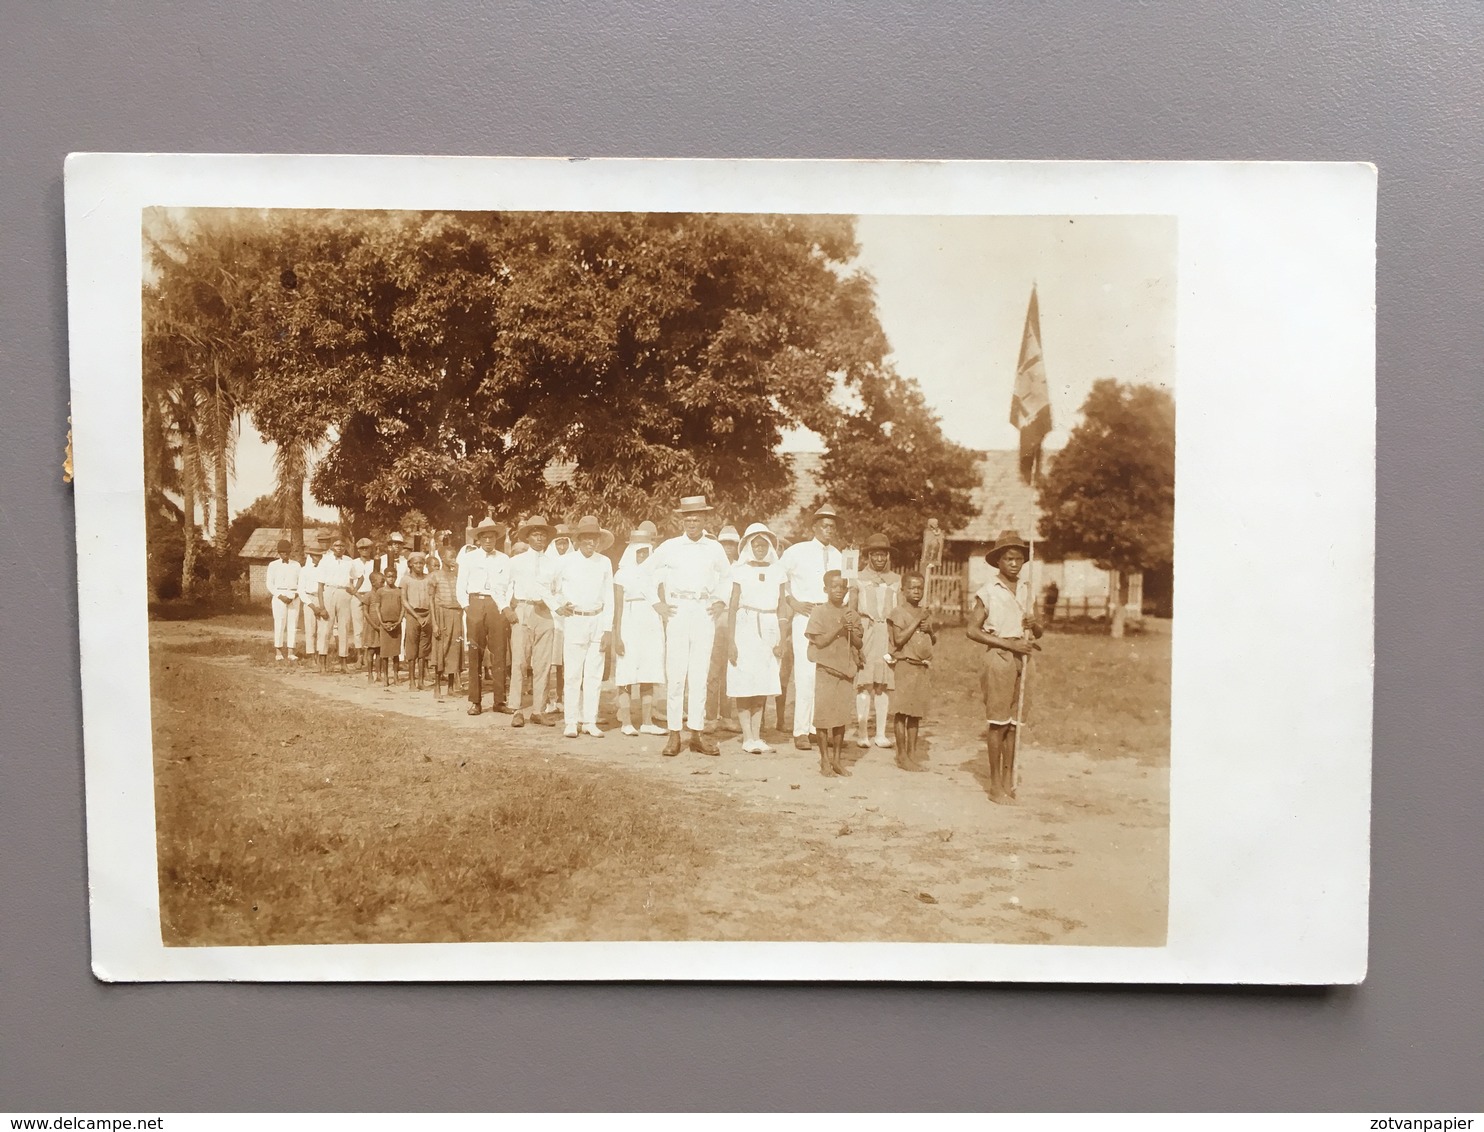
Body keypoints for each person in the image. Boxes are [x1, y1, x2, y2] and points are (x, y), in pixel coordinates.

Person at [649, 496, 733, 757]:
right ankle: (674, 734)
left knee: (699, 675)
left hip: (703, 611)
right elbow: (645, 574)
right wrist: (657, 603)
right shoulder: (670, 546)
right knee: (676, 675)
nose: (692, 522)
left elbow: (728, 577)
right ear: (681, 519)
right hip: (678, 611)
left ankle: (696, 733)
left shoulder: (714, 548)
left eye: (697, 518)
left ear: (705, 519)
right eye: (688, 518)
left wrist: (720, 600)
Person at [965, 530, 1045, 804]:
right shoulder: (988, 592)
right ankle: (995, 786)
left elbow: (1041, 631)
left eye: (1019, 559)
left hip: (1025, 658)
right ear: (998, 561)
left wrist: (1033, 623)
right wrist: (1009, 645)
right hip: (1000, 657)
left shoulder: (1027, 589)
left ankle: (1010, 781)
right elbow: (972, 631)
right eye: (1009, 558)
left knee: (1014, 725)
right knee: (998, 724)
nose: (1014, 563)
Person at [777, 503, 845, 750]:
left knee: (826, 674)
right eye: (825, 526)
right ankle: (801, 731)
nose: (829, 531)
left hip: (831, 617)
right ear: (815, 527)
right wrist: (791, 601)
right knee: (805, 673)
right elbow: (778, 576)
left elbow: (849, 588)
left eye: (832, 527)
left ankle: (818, 728)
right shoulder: (798, 551)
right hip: (806, 615)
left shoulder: (840, 556)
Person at [551, 515, 614, 739]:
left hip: (597, 620)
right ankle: (571, 721)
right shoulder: (565, 562)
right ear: (578, 540)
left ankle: (590, 720)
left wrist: (608, 628)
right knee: (573, 673)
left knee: (594, 675)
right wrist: (558, 606)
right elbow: (547, 587)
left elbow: (610, 596)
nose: (591, 543)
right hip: (575, 620)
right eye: (586, 538)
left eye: (594, 539)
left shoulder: (604, 562)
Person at [725, 523, 786, 754]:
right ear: (749, 546)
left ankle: (757, 736)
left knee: (763, 683)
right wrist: (731, 641)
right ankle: (747, 736)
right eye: (756, 545)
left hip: (769, 628)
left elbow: (782, 607)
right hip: (745, 627)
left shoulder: (777, 571)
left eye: (764, 545)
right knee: (744, 683)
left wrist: (782, 638)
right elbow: (732, 607)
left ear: (769, 546)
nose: (760, 549)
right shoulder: (739, 570)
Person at [805, 569, 863, 777]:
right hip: (826, 670)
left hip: (846, 672)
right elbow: (819, 641)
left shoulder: (852, 614)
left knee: (840, 718)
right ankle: (824, 761)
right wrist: (839, 628)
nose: (839, 591)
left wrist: (850, 630)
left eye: (842, 587)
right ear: (825, 589)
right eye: (834, 587)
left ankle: (837, 761)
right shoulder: (819, 612)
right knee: (823, 718)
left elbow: (859, 642)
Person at [612, 526, 667, 737]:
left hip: (651, 623)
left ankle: (646, 721)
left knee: (648, 673)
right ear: (632, 552)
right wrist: (617, 635)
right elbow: (618, 608)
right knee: (626, 674)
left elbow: (662, 601)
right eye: (639, 552)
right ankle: (626, 721)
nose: (643, 556)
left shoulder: (657, 573)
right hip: (629, 622)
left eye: (646, 552)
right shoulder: (622, 574)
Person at [457, 518, 513, 716]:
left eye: (492, 537)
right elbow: (460, 585)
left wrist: (505, 607)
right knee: (475, 654)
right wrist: (467, 607)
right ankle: (475, 701)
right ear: (478, 539)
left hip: (497, 606)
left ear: (497, 538)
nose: (489, 541)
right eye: (485, 537)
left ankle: (499, 700)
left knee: (500, 653)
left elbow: (509, 585)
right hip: (475, 604)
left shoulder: (504, 560)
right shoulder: (469, 558)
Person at [507, 514, 558, 728]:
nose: (539, 539)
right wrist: (507, 609)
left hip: (544, 613)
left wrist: (553, 604)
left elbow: (557, 590)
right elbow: (504, 587)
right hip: (523, 609)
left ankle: (538, 710)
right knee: (519, 661)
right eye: (535, 535)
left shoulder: (553, 564)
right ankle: (517, 710)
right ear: (528, 538)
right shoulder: (516, 561)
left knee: (543, 664)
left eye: (543, 535)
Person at [851, 532, 900, 750]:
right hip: (866, 632)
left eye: (883, 555)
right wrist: (854, 639)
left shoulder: (896, 581)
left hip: (886, 633)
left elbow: (899, 611)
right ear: (868, 556)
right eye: (875, 555)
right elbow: (851, 610)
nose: (880, 559)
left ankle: (880, 733)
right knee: (865, 683)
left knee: (882, 684)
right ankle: (862, 732)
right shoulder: (858, 579)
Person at [887, 571, 936, 772]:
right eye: (912, 588)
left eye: (920, 588)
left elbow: (931, 642)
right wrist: (918, 621)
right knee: (902, 712)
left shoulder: (924, 613)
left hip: (921, 666)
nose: (917, 592)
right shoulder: (898, 613)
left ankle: (912, 754)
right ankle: (901, 755)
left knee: (915, 713)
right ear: (903, 590)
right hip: (905, 665)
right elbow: (898, 640)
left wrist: (929, 629)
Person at [705, 524, 743, 734]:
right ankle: (710, 717)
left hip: (733, 620)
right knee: (713, 670)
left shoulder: (740, 567)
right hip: (713, 619)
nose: (728, 548)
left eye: (732, 544)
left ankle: (727, 716)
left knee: (730, 669)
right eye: (724, 544)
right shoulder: (712, 566)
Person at [428, 537, 464, 701]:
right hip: (441, 615)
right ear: (442, 558)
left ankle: (450, 687)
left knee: (454, 650)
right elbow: (430, 600)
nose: (453, 560)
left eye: (455, 557)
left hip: (455, 614)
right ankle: (437, 687)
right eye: (450, 557)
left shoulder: (458, 576)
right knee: (440, 650)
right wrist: (434, 623)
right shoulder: (434, 576)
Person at [544, 522, 574, 717]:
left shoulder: (574, 561)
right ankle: (547, 699)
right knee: (547, 659)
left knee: (565, 660)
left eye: (564, 543)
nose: (562, 547)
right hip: (551, 613)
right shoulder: (547, 562)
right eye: (558, 544)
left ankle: (564, 698)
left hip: (568, 614)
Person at [317, 533, 356, 673]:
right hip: (329, 592)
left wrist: (353, 590)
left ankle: (343, 663)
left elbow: (357, 577)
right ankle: (323, 664)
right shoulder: (325, 560)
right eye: (336, 545)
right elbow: (320, 586)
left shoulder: (349, 561)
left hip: (344, 593)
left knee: (344, 627)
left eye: (342, 545)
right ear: (332, 547)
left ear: (345, 547)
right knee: (325, 629)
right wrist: (321, 607)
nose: (339, 548)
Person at [399, 551, 434, 691]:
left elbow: (432, 598)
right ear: (410, 565)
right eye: (416, 563)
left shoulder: (429, 578)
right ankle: (412, 681)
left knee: (423, 649)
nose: (419, 565)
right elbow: (404, 600)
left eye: (421, 563)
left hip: (427, 615)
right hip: (413, 616)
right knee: (412, 648)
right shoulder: (405, 580)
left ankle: (421, 681)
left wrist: (430, 615)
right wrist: (417, 617)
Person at [265, 539, 301, 661]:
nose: (284, 554)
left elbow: (301, 583)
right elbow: (269, 584)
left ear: (290, 552)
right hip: (279, 596)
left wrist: (295, 595)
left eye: (286, 552)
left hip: (294, 596)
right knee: (279, 623)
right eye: (282, 552)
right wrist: (280, 596)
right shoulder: (273, 565)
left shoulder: (296, 565)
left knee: (293, 624)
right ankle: (278, 652)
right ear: (278, 553)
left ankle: (291, 651)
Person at [298, 537, 329, 670]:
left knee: (323, 630)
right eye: (315, 556)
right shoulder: (305, 570)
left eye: (320, 556)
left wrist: (322, 606)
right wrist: (312, 606)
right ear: (310, 556)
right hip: (309, 600)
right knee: (310, 630)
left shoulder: (325, 569)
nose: (318, 558)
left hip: (322, 600)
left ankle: (321, 656)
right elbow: (301, 590)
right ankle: (311, 657)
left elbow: (326, 587)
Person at [370, 569, 403, 687]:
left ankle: (395, 676)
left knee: (395, 653)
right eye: (389, 576)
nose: (391, 579)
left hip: (396, 624)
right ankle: (385, 677)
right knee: (384, 653)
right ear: (385, 577)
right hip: (384, 624)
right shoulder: (380, 591)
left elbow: (403, 607)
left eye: (393, 577)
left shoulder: (399, 591)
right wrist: (382, 622)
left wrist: (399, 621)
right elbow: (377, 608)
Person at [349, 537, 376, 667]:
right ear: (358, 550)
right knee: (358, 627)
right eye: (362, 548)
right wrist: (358, 596)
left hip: (370, 596)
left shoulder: (376, 563)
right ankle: (359, 656)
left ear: (371, 549)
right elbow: (349, 582)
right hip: (356, 595)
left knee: (369, 627)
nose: (365, 551)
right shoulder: (353, 563)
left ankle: (367, 655)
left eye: (367, 548)